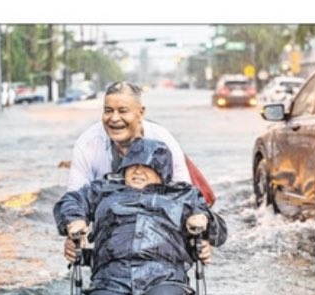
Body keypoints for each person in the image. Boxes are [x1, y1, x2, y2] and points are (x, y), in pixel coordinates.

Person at [54, 138, 227, 295]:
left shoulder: (183, 194)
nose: (136, 171)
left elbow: (220, 233)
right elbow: (69, 202)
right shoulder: (103, 189)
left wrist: (203, 219)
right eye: (131, 166)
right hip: (111, 276)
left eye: (146, 167)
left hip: (164, 275)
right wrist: (73, 220)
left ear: (162, 171)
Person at [65, 80, 215, 265]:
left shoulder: (163, 141)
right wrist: (73, 233)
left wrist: (201, 238)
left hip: (160, 239)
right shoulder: (88, 144)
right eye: (108, 110)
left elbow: (185, 197)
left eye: (122, 111)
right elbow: (75, 198)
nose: (114, 118)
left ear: (141, 112)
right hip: (113, 239)